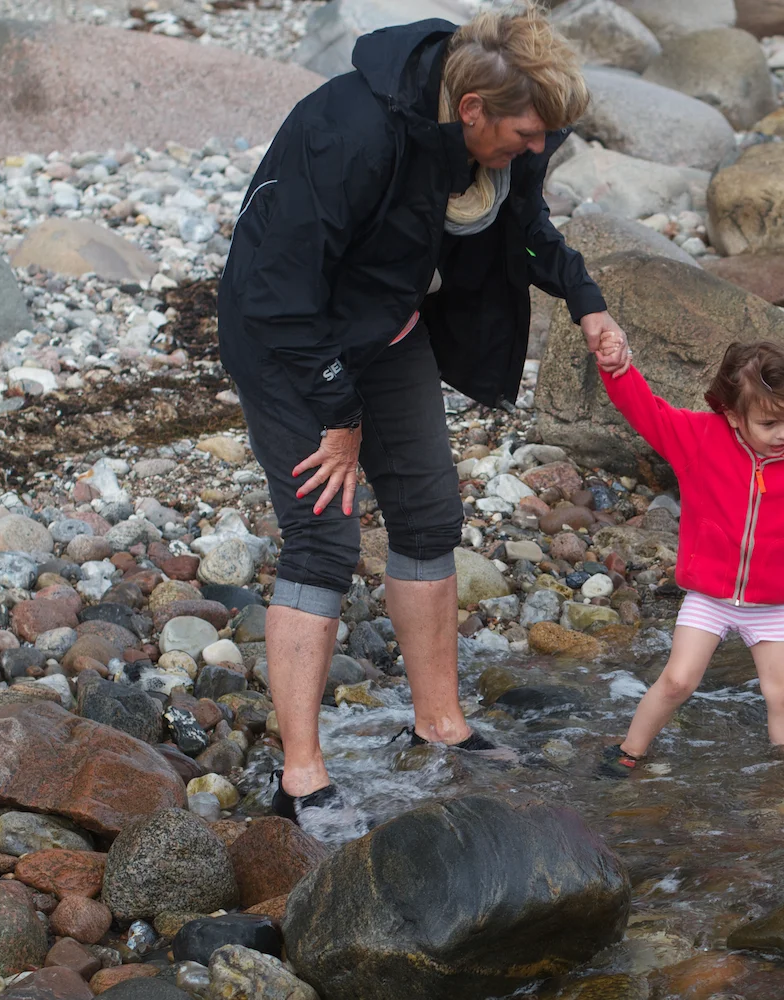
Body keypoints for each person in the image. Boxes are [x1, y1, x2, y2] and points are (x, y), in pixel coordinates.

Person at [216, 9, 630, 831]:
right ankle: (301, 775)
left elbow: (522, 231)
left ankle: (440, 721)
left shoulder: (502, 140)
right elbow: (280, 289)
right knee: (322, 534)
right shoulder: (350, 130)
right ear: (471, 108)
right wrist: (339, 413)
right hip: (287, 336)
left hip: (385, 327)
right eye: (525, 133)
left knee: (430, 512)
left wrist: (585, 301)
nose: (537, 149)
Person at [591, 339, 784, 776]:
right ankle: (631, 750)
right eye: (769, 422)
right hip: (708, 595)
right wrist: (617, 370)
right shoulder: (699, 438)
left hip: (770, 604)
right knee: (678, 681)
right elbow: (647, 412)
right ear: (733, 415)